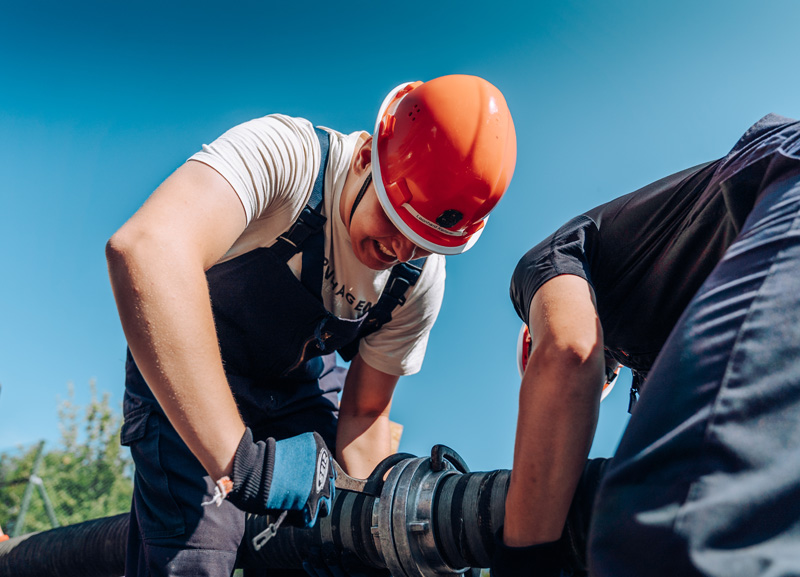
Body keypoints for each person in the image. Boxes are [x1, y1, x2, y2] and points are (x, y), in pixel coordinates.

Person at [106, 74, 516, 577]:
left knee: (337, 549)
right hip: (186, 368)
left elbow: (364, 413)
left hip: (294, 388)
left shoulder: (419, 280)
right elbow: (147, 248)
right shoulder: (289, 157)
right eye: (396, 219)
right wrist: (240, 460)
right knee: (197, 561)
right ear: (367, 157)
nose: (401, 251)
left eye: (424, 241)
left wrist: (379, 535)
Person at [493, 113, 800, 576]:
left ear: (530, 344)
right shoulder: (667, 355)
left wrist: (523, 561)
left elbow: (570, 354)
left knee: (672, 524)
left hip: (786, 186)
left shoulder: (549, 260)